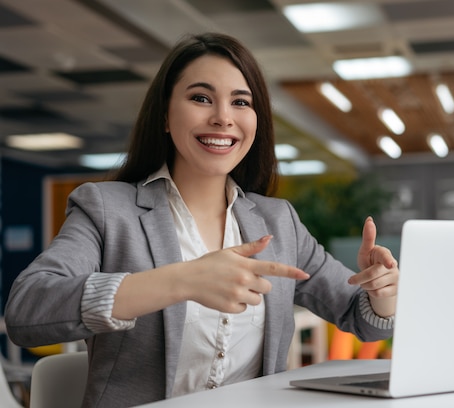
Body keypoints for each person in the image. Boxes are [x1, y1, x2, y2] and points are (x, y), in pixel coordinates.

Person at [4, 32, 398, 407]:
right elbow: (28, 311)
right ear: (164, 115)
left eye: (241, 102)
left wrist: (382, 295)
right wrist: (182, 280)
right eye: (201, 98)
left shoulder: (278, 222)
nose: (223, 118)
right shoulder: (107, 210)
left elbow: (361, 319)